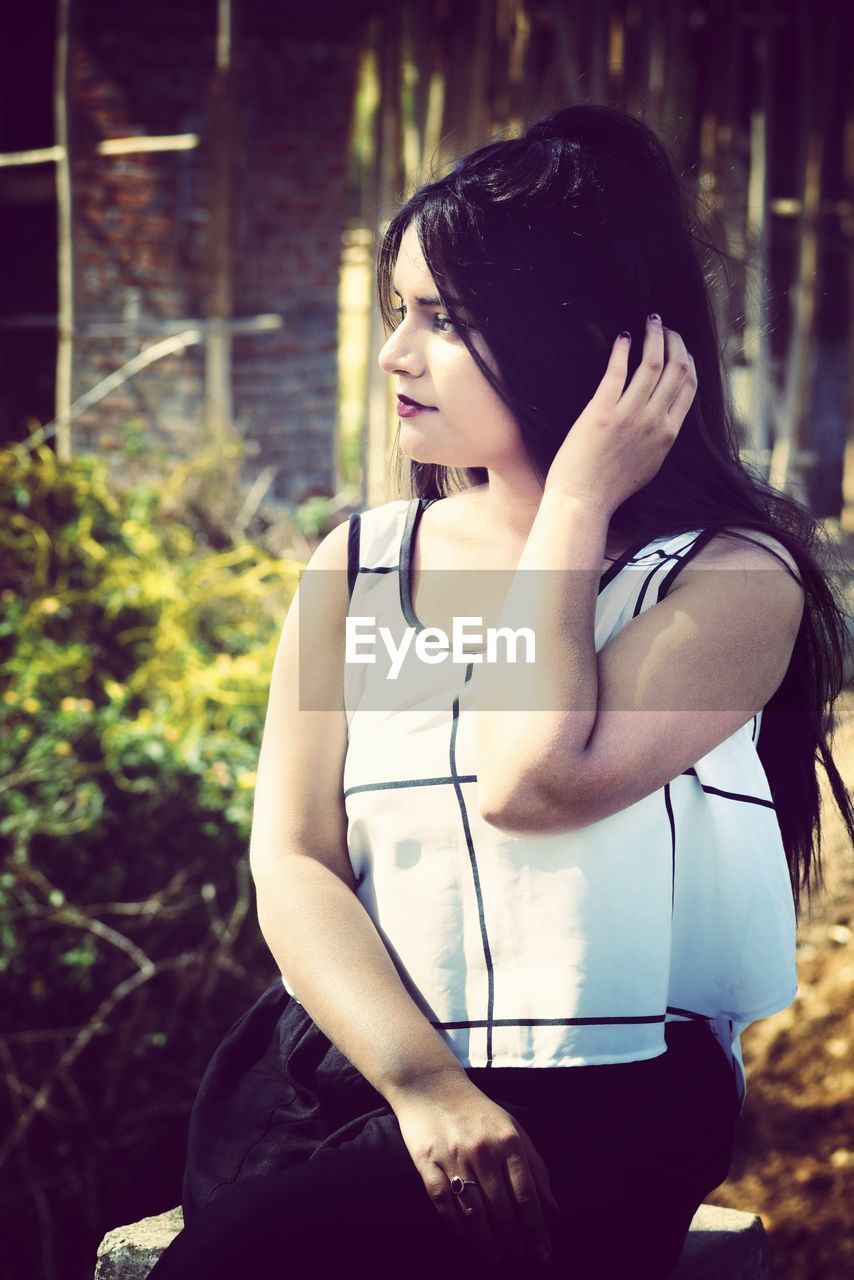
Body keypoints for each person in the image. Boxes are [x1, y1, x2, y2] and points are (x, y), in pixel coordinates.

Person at [149, 104, 853, 1279]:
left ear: (578, 337)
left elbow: (534, 779)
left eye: (441, 318)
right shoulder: (358, 559)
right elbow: (293, 859)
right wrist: (422, 1084)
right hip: (351, 1072)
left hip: (597, 1101)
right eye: (396, 314)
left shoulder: (731, 579)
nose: (394, 354)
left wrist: (571, 504)